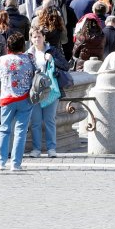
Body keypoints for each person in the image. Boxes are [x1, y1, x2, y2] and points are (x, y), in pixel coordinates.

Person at [0, 31, 36, 172]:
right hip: (25, 98)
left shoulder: (2, 59)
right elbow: (36, 74)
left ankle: (0, 162)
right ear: (23, 46)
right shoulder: (29, 58)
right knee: (20, 132)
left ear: (8, 46)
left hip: (7, 99)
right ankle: (16, 164)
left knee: (4, 129)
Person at [27, 26, 68, 159]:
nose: (37, 39)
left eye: (39, 36)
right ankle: (36, 149)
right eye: (34, 37)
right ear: (31, 39)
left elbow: (65, 65)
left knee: (49, 120)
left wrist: (52, 59)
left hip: (50, 89)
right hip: (35, 90)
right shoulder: (28, 54)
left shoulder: (52, 50)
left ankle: (51, 148)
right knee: (36, 122)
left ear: (44, 38)